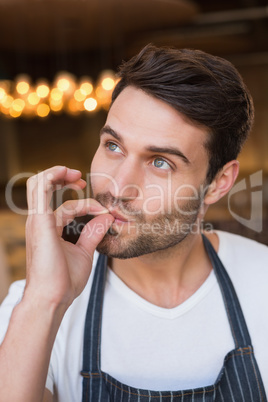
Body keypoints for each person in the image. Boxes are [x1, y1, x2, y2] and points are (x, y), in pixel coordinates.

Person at [0, 44, 267, 402]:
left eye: (160, 162)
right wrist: (45, 300)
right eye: (113, 146)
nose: (118, 187)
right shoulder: (32, 307)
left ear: (218, 182)